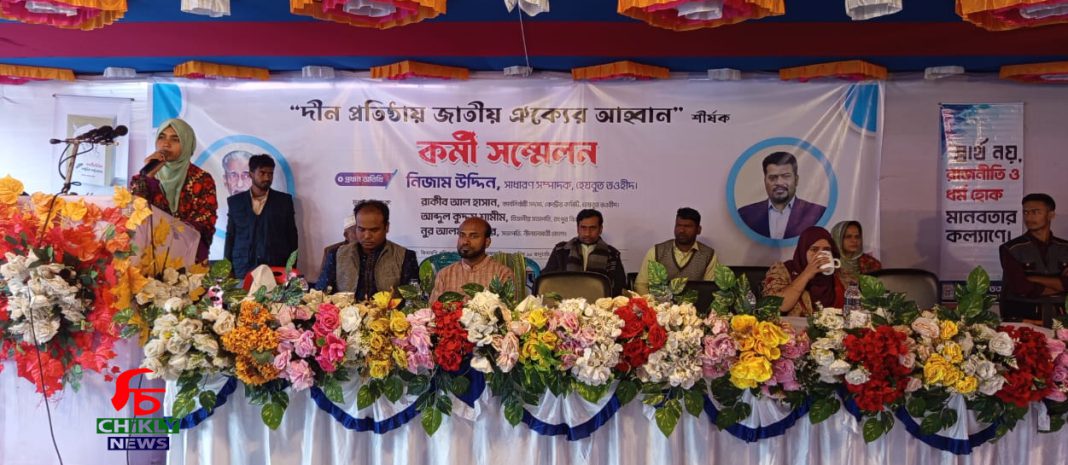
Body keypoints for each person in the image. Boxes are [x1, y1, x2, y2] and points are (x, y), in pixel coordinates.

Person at [131, 118, 218, 263]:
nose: (166, 143)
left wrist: (169, 234)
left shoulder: (202, 179)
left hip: (187, 259)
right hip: (148, 258)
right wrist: (147, 178)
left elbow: (205, 223)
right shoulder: (143, 177)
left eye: (175, 139)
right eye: (161, 137)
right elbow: (135, 215)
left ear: (187, 144)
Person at [223, 154, 299, 279]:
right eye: (262, 173)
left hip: (275, 268)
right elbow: (231, 236)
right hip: (242, 268)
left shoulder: (284, 201)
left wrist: (291, 268)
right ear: (251, 174)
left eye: (270, 174)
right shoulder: (235, 202)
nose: (267, 178)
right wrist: (227, 268)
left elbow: (292, 237)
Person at [999, 193, 1068, 321]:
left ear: (1051, 215)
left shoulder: (1065, 247)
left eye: (1035, 212)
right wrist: (1059, 284)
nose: (1029, 217)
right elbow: (1021, 287)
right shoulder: (1011, 248)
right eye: (1026, 212)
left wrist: (1033, 278)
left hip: (1061, 317)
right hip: (1023, 316)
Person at [334, 200, 419, 300]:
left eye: (374, 230)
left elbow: (413, 299)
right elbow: (323, 295)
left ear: (386, 227)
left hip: (390, 310)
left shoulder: (405, 256)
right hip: (345, 310)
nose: (367, 236)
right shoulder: (337, 254)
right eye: (361, 229)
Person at [764, 226, 853, 317]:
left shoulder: (843, 275)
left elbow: (856, 310)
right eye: (814, 250)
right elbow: (777, 306)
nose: (820, 255)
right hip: (795, 326)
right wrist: (806, 274)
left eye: (826, 250)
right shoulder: (782, 270)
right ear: (803, 250)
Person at [737, 151, 826, 240]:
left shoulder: (818, 213)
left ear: (796, 180)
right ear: (765, 181)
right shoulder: (745, 215)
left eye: (786, 176)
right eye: (772, 178)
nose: (779, 182)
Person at [634, 207, 718, 295]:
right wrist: (651, 302)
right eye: (678, 225)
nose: (682, 230)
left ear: (698, 230)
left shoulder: (708, 255)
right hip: (659, 303)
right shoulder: (656, 251)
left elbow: (709, 289)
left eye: (687, 226)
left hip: (695, 303)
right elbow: (641, 284)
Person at [543, 209, 627, 296]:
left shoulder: (612, 254)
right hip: (565, 301)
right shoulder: (561, 250)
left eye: (593, 228)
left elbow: (619, 287)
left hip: (600, 302)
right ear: (577, 229)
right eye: (583, 228)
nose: (587, 233)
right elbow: (547, 281)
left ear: (600, 229)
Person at [429, 217, 514, 302]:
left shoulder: (502, 274)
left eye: (474, 236)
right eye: (462, 235)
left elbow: (509, 309)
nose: (465, 241)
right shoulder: (444, 274)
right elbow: (433, 308)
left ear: (487, 242)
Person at [315, 214, 357, 291]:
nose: (364, 235)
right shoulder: (334, 253)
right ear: (346, 235)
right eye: (356, 231)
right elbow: (322, 288)